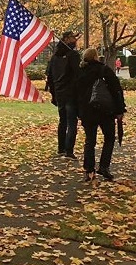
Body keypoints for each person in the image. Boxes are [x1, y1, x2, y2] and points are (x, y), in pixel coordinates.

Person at [75, 48, 126, 182]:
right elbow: (116, 90)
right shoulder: (104, 70)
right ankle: (104, 166)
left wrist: (78, 111)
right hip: (105, 111)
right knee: (109, 138)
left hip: (87, 111)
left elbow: (76, 94)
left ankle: (89, 169)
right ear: (96, 57)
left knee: (90, 140)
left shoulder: (80, 72)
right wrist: (120, 110)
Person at [45, 30, 81, 159]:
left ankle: (61, 148)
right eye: (72, 37)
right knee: (71, 122)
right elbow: (78, 74)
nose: (75, 40)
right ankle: (68, 150)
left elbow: (49, 77)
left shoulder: (55, 57)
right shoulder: (73, 55)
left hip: (60, 93)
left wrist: (54, 93)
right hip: (70, 93)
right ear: (65, 39)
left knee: (63, 121)